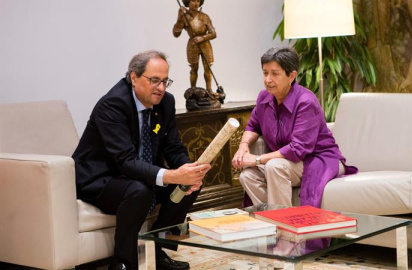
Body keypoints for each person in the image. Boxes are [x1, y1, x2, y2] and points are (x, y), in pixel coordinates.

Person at [72, 50, 211, 270]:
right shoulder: (112, 105)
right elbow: (125, 161)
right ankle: (122, 262)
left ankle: (156, 250)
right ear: (134, 77)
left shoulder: (165, 102)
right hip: (100, 179)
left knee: (188, 187)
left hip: (137, 175)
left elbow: (173, 146)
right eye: (155, 80)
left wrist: (187, 169)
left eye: (165, 81)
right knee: (140, 190)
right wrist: (171, 175)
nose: (162, 88)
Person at [232, 47, 357, 208]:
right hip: (286, 162)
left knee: (274, 166)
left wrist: (256, 159)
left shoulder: (305, 102)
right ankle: (274, 221)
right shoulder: (264, 97)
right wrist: (243, 147)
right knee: (248, 175)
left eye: (274, 74)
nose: (268, 79)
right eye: (265, 73)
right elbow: (253, 125)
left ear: (291, 76)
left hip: (318, 160)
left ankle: (286, 228)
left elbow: (297, 149)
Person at [173, 0, 218, 100]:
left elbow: (213, 33)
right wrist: (179, 18)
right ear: (188, 2)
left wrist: (202, 38)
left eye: (198, 1)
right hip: (192, 44)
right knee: (194, 68)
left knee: (208, 68)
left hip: (205, 44)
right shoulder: (184, 16)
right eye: (193, 0)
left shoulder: (205, 16)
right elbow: (176, 34)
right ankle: (193, 90)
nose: (195, 3)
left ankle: (209, 90)